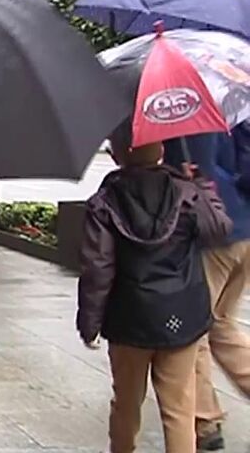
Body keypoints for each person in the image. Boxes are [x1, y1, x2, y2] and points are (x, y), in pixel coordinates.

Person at [80, 132, 230, 453]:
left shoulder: (103, 203)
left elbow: (97, 269)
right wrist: (203, 187)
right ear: (161, 149)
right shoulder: (186, 192)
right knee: (179, 408)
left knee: (126, 404)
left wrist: (89, 323)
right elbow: (218, 230)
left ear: (117, 155)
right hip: (181, 317)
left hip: (128, 321)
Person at [164, 128, 250, 451]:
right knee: (222, 325)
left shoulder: (181, 114)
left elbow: (182, 173)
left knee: (195, 329)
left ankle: (205, 422)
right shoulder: (231, 96)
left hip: (212, 236)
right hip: (244, 230)